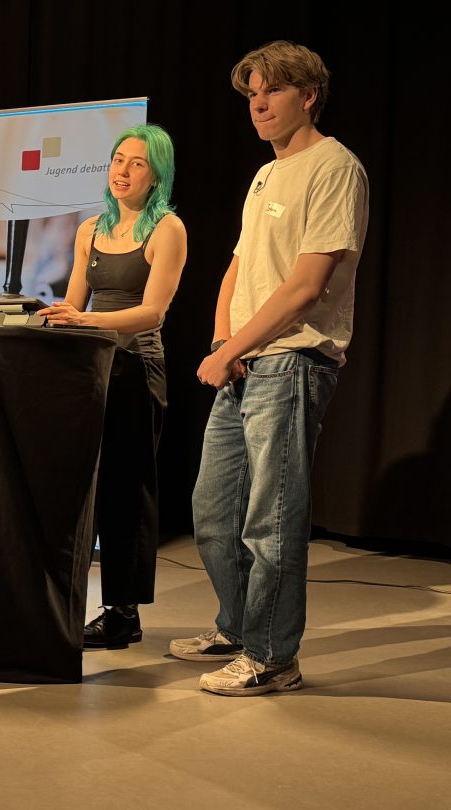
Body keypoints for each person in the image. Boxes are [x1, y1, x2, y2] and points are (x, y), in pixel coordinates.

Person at [172, 40, 369, 695]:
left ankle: (273, 657)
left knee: (271, 519)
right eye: (252, 94)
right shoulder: (265, 175)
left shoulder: (334, 167)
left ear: (308, 96)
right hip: (244, 362)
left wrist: (231, 351)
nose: (258, 104)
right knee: (213, 512)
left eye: (273, 91)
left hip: (292, 363)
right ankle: (238, 627)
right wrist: (222, 340)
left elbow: (306, 286)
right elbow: (238, 266)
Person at [37, 124, 187, 648]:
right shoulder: (90, 230)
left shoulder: (167, 229)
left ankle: (123, 612)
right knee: (86, 488)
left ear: (156, 175)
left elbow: (152, 313)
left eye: (136, 163)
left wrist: (87, 322)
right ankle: (66, 602)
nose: (122, 171)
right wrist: (46, 315)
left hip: (137, 369)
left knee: (127, 491)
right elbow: (74, 304)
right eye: (118, 159)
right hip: (93, 369)